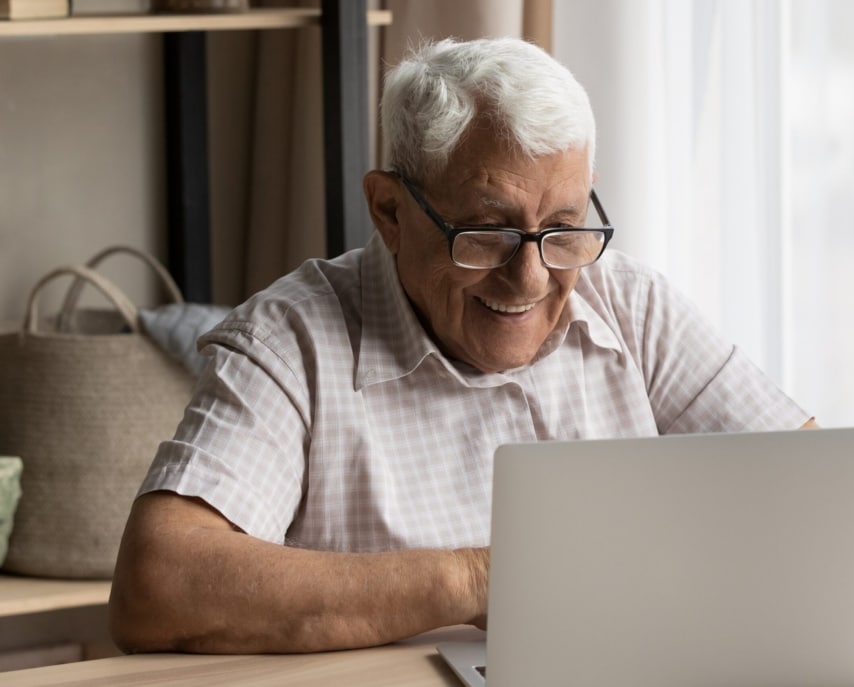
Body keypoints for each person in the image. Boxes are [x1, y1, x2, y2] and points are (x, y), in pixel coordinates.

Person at [109, 36, 813, 655]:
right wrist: (480, 579)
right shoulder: (292, 339)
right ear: (390, 210)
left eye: (563, 226)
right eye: (488, 232)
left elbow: (816, 486)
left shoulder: (627, 299)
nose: (530, 275)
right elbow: (160, 581)